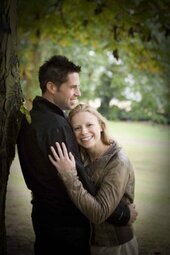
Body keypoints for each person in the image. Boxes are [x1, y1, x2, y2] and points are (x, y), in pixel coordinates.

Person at [17, 55, 137, 255]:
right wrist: (120, 214)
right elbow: (78, 179)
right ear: (52, 87)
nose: (78, 92)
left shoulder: (30, 119)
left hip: (43, 217)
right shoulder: (57, 125)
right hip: (66, 226)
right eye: (73, 87)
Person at [49, 103, 139, 255]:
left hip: (114, 246)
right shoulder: (80, 156)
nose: (84, 132)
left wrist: (69, 175)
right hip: (87, 241)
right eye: (77, 128)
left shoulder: (118, 163)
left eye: (89, 125)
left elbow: (99, 213)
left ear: (101, 126)